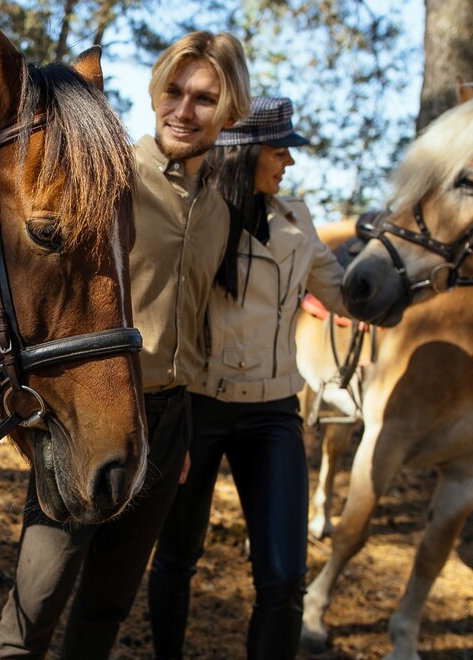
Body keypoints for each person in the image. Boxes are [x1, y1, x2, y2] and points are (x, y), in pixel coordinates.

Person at [0, 31, 252, 660]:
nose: (183, 110)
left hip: (167, 427)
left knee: (106, 611)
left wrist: (180, 430)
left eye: (205, 98)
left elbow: (196, 318)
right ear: (155, 92)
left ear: (231, 112)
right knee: (33, 614)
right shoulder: (107, 175)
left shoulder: (220, 206)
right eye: (174, 91)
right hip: (92, 411)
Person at [147, 97, 348, 660]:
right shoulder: (196, 216)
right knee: (177, 557)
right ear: (245, 153)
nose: (289, 164)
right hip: (198, 408)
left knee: (283, 577)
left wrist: (406, 269)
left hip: (274, 410)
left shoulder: (298, 219)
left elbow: (343, 291)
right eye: (280, 150)